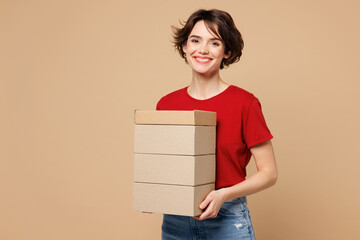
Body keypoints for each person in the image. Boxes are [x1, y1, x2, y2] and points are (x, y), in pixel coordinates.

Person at [156, 9, 277, 240]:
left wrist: (223, 195)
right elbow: (163, 164)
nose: (202, 49)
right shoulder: (166, 104)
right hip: (175, 219)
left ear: (227, 52)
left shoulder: (245, 103)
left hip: (228, 217)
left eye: (214, 43)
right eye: (195, 40)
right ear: (184, 46)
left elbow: (269, 173)